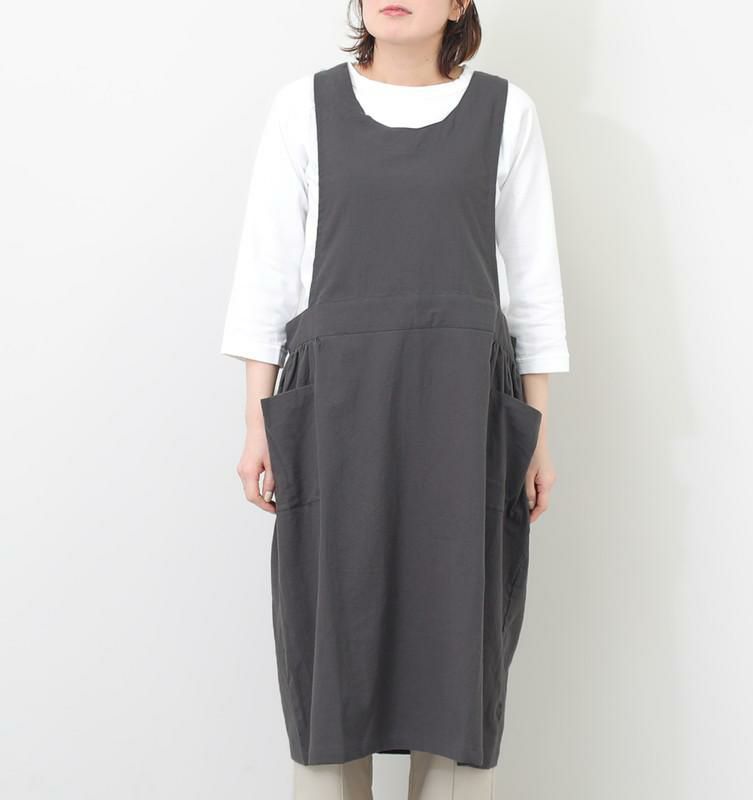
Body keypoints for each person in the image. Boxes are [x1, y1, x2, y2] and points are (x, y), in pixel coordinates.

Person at [220, 1, 570, 797]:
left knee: (458, 643)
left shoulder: (506, 113)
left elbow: (534, 289)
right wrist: (256, 421)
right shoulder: (302, 109)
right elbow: (266, 280)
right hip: (336, 414)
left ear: (459, 3)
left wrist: (539, 434)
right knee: (331, 640)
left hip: (463, 416)